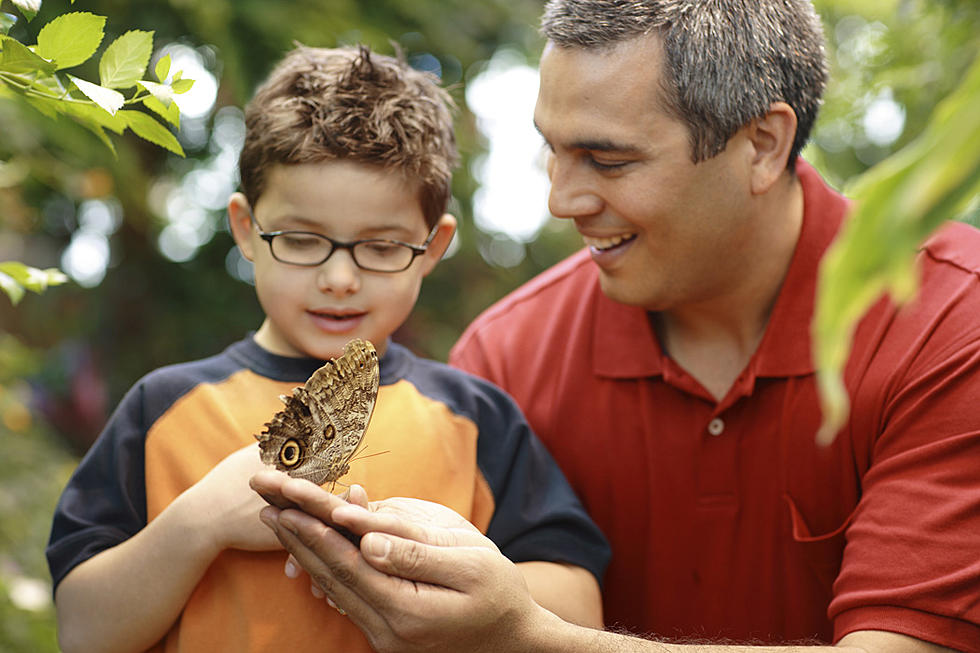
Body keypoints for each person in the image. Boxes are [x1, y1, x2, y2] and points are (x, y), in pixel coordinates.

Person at [254, 1, 980, 652]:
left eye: (606, 159)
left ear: (762, 144)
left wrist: (531, 638)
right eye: (554, 148)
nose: (561, 200)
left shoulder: (950, 320)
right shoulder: (507, 358)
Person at [45, 44, 609, 653]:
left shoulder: (476, 419)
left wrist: (451, 571)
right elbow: (82, 630)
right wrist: (200, 521)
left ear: (433, 247)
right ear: (246, 230)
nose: (340, 278)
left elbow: (579, 612)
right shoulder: (163, 409)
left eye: (383, 245)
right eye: (301, 239)